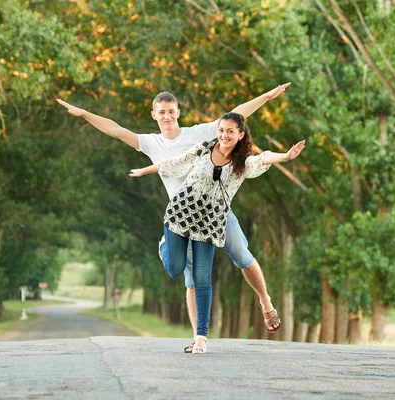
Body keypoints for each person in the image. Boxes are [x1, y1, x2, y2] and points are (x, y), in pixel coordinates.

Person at [57, 83, 288, 352]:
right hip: (182, 218)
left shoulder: (198, 133)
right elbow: (115, 129)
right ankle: (198, 337)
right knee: (193, 277)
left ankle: (265, 302)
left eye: (171, 111)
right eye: (162, 112)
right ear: (154, 115)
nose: (167, 116)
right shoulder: (149, 142)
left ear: (178, 112)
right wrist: (85, 113)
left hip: (215, 212)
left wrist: (267, 96)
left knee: (243, 256)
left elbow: (236, 115)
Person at [130, 112, 305, 353]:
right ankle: (165, 246)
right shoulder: (203, 148)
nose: (224, 135)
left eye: (230, 131)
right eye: (221, 130)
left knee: (202, 279)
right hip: (180, 215)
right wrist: (145, 170)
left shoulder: (242, 161)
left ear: (241, 135)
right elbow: (175, 162)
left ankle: (201, 337)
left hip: (209, 224)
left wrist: (285, 156)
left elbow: (263, 159)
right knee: (174, 270)